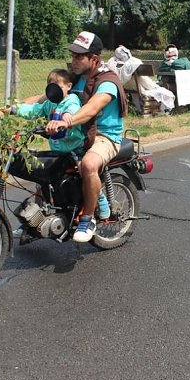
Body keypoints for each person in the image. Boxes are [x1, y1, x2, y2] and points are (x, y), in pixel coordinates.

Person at [45, 32, 128, 243]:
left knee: (89, 165)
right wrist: (11, 109)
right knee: (44, 165)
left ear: (94, 58)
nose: (73, 61)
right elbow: (42, 99)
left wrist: (67, 121)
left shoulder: (107, 81)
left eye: (79, 57)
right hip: (80, 133)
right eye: (72, 56)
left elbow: (92, 108)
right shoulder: (75, 79)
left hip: (105, 136)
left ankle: (88, 219)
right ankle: (40, 215)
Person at [1, 69, 112, 221]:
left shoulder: (71, 100)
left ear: (68, 86)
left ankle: (100, 199)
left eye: (58, 85)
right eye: (50, 85)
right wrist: (11, 110)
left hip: (75, 148)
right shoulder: (49, 104)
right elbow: (33, 110)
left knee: (84, 169)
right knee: (40, 177)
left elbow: (70, 112)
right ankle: (34, 219)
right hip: (58, 151)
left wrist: (65, 120)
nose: (54, 89)